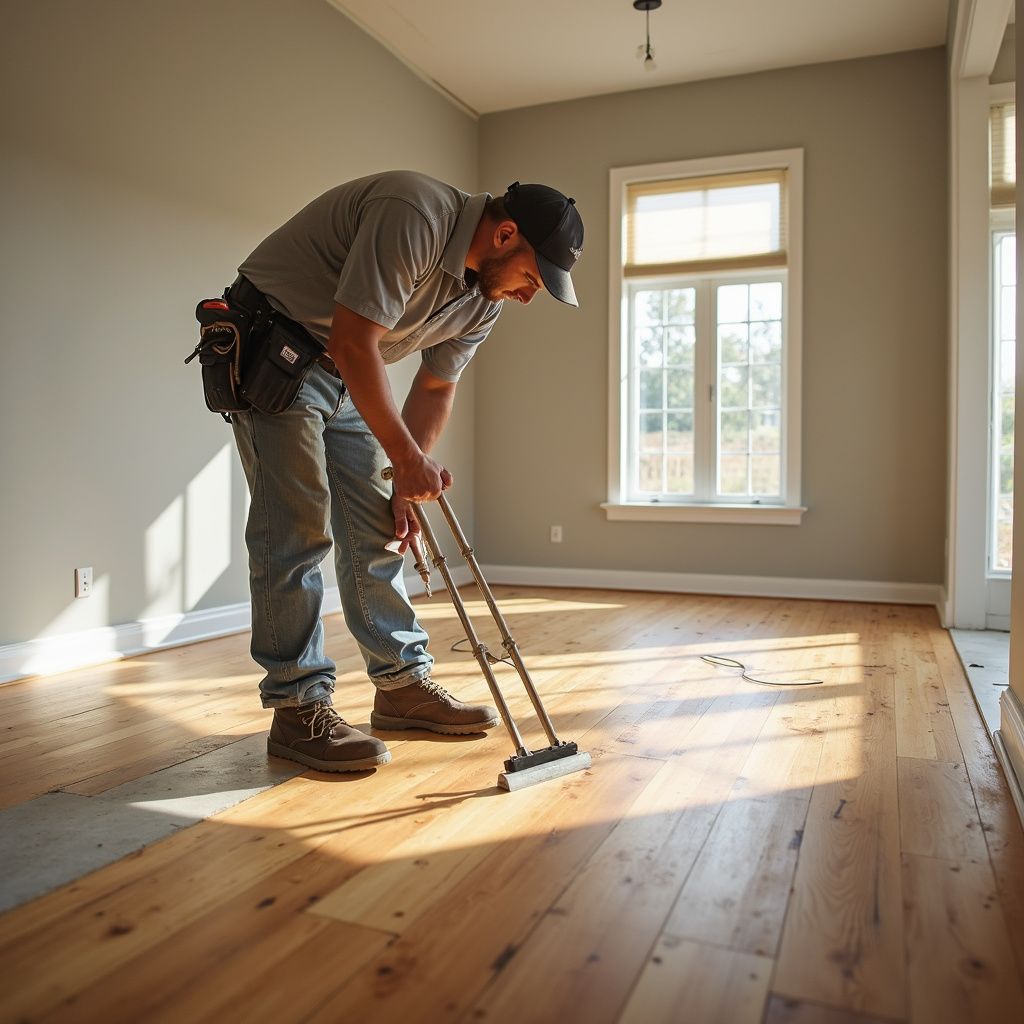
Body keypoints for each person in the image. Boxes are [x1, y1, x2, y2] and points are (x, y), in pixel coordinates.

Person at [222, 170, 584, 773]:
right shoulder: (413, 213)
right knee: (298, 525)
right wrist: (407, 459)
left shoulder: (482, 300)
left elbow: (436, 387)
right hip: (275, 347)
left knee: (380, 524)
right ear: (505, 234)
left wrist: (405, 482)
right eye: (531, 276)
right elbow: (354, 338)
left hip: (343, 371)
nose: (528, 295)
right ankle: (297, 707)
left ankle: (400, 687)